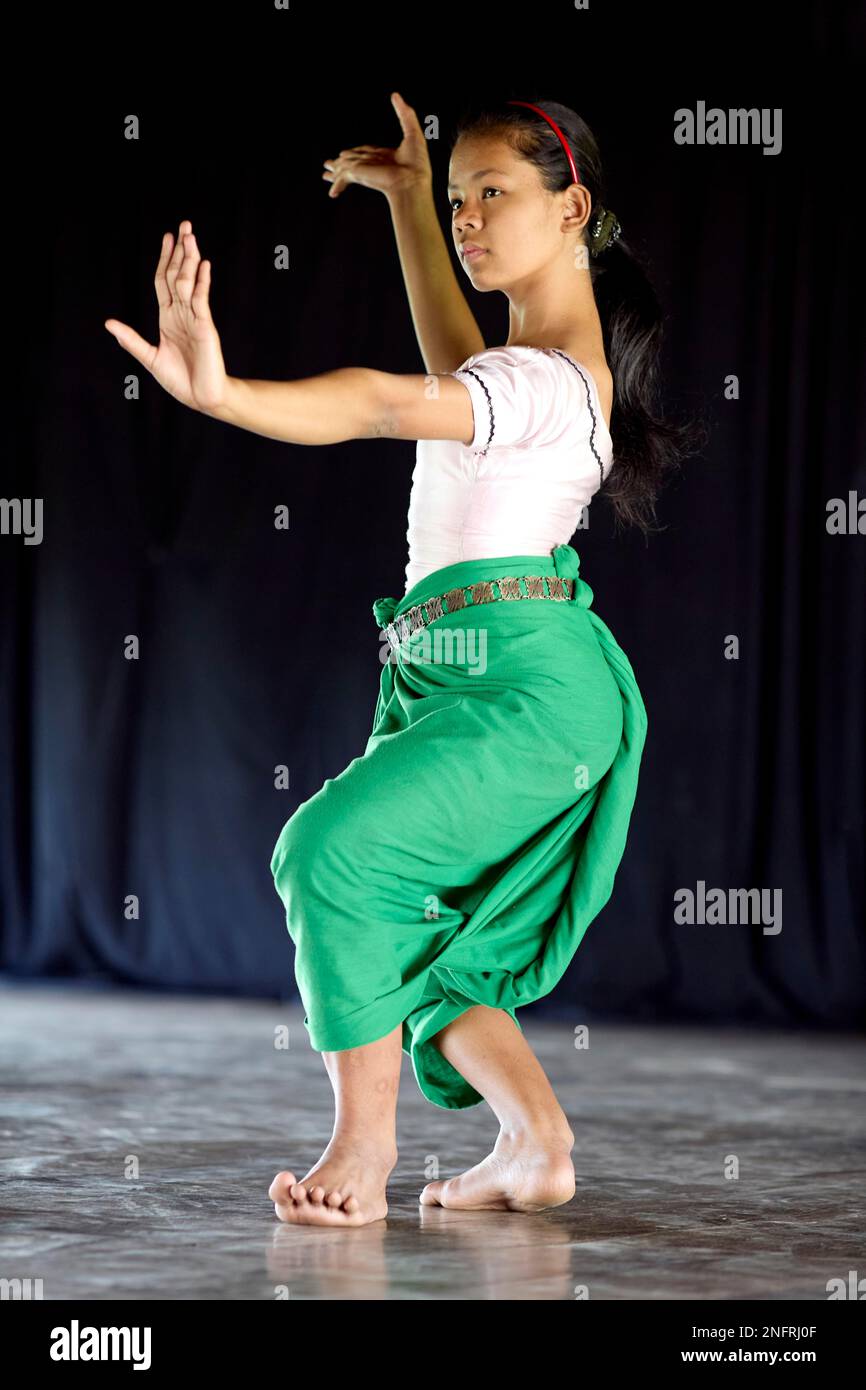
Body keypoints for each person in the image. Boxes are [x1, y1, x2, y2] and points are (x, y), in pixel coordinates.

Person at [104, 93, 704, 1228]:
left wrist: (223, 392)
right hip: (464, 675)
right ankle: (533, 1144)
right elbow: (445, 356)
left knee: (328, 852)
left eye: (496, 195)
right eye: (461, 195)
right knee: (423, 931)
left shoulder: (538, 385)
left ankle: (362, 1144)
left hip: (523, 686)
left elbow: (386, 403)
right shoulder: (524, 370)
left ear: (571, 206)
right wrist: (408, 205)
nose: (471, 217)